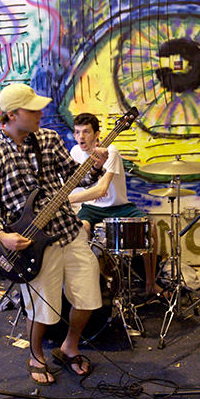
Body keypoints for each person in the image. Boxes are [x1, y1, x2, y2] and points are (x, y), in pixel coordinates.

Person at [0, 83, 108, 385]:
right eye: (32, 109)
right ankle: (36, 355)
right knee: (43, 308)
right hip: (33, 244)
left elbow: (75, 172)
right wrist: (2, 236)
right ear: (11, 115)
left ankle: (69, 346)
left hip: (67, 230)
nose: (40, 113)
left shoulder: (47, 139)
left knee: (88, 296)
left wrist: (95, 167)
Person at [70, 112, 161, 295]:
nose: (81, 137)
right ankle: (88, 286)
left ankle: (151, 283)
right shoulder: (74, 152)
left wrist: (65, 199)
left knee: (150, 228)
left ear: (97, 134)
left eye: (86, 132)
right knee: (81, 229)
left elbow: (101, 189)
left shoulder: (110, 151)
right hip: (91, 208)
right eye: (77, 132)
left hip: (119, 206)